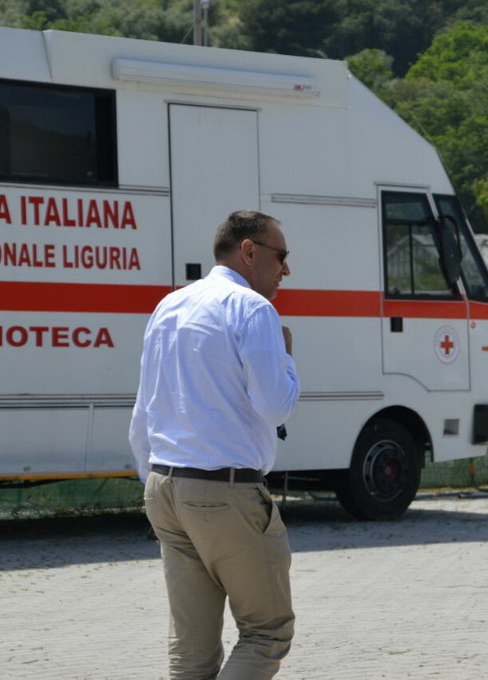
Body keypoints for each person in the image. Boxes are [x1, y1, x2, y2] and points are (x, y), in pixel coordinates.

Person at [129, 210, 300, 680]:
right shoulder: (253, 309)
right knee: (267, 632)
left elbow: (144, 410)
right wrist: (287, 359)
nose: (286, 269)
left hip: (164, 488)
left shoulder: (169, 306)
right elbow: (275, 407)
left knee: (192, 652)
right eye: (281, 256)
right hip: (224, 491)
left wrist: (153, 486)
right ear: (249, 251)